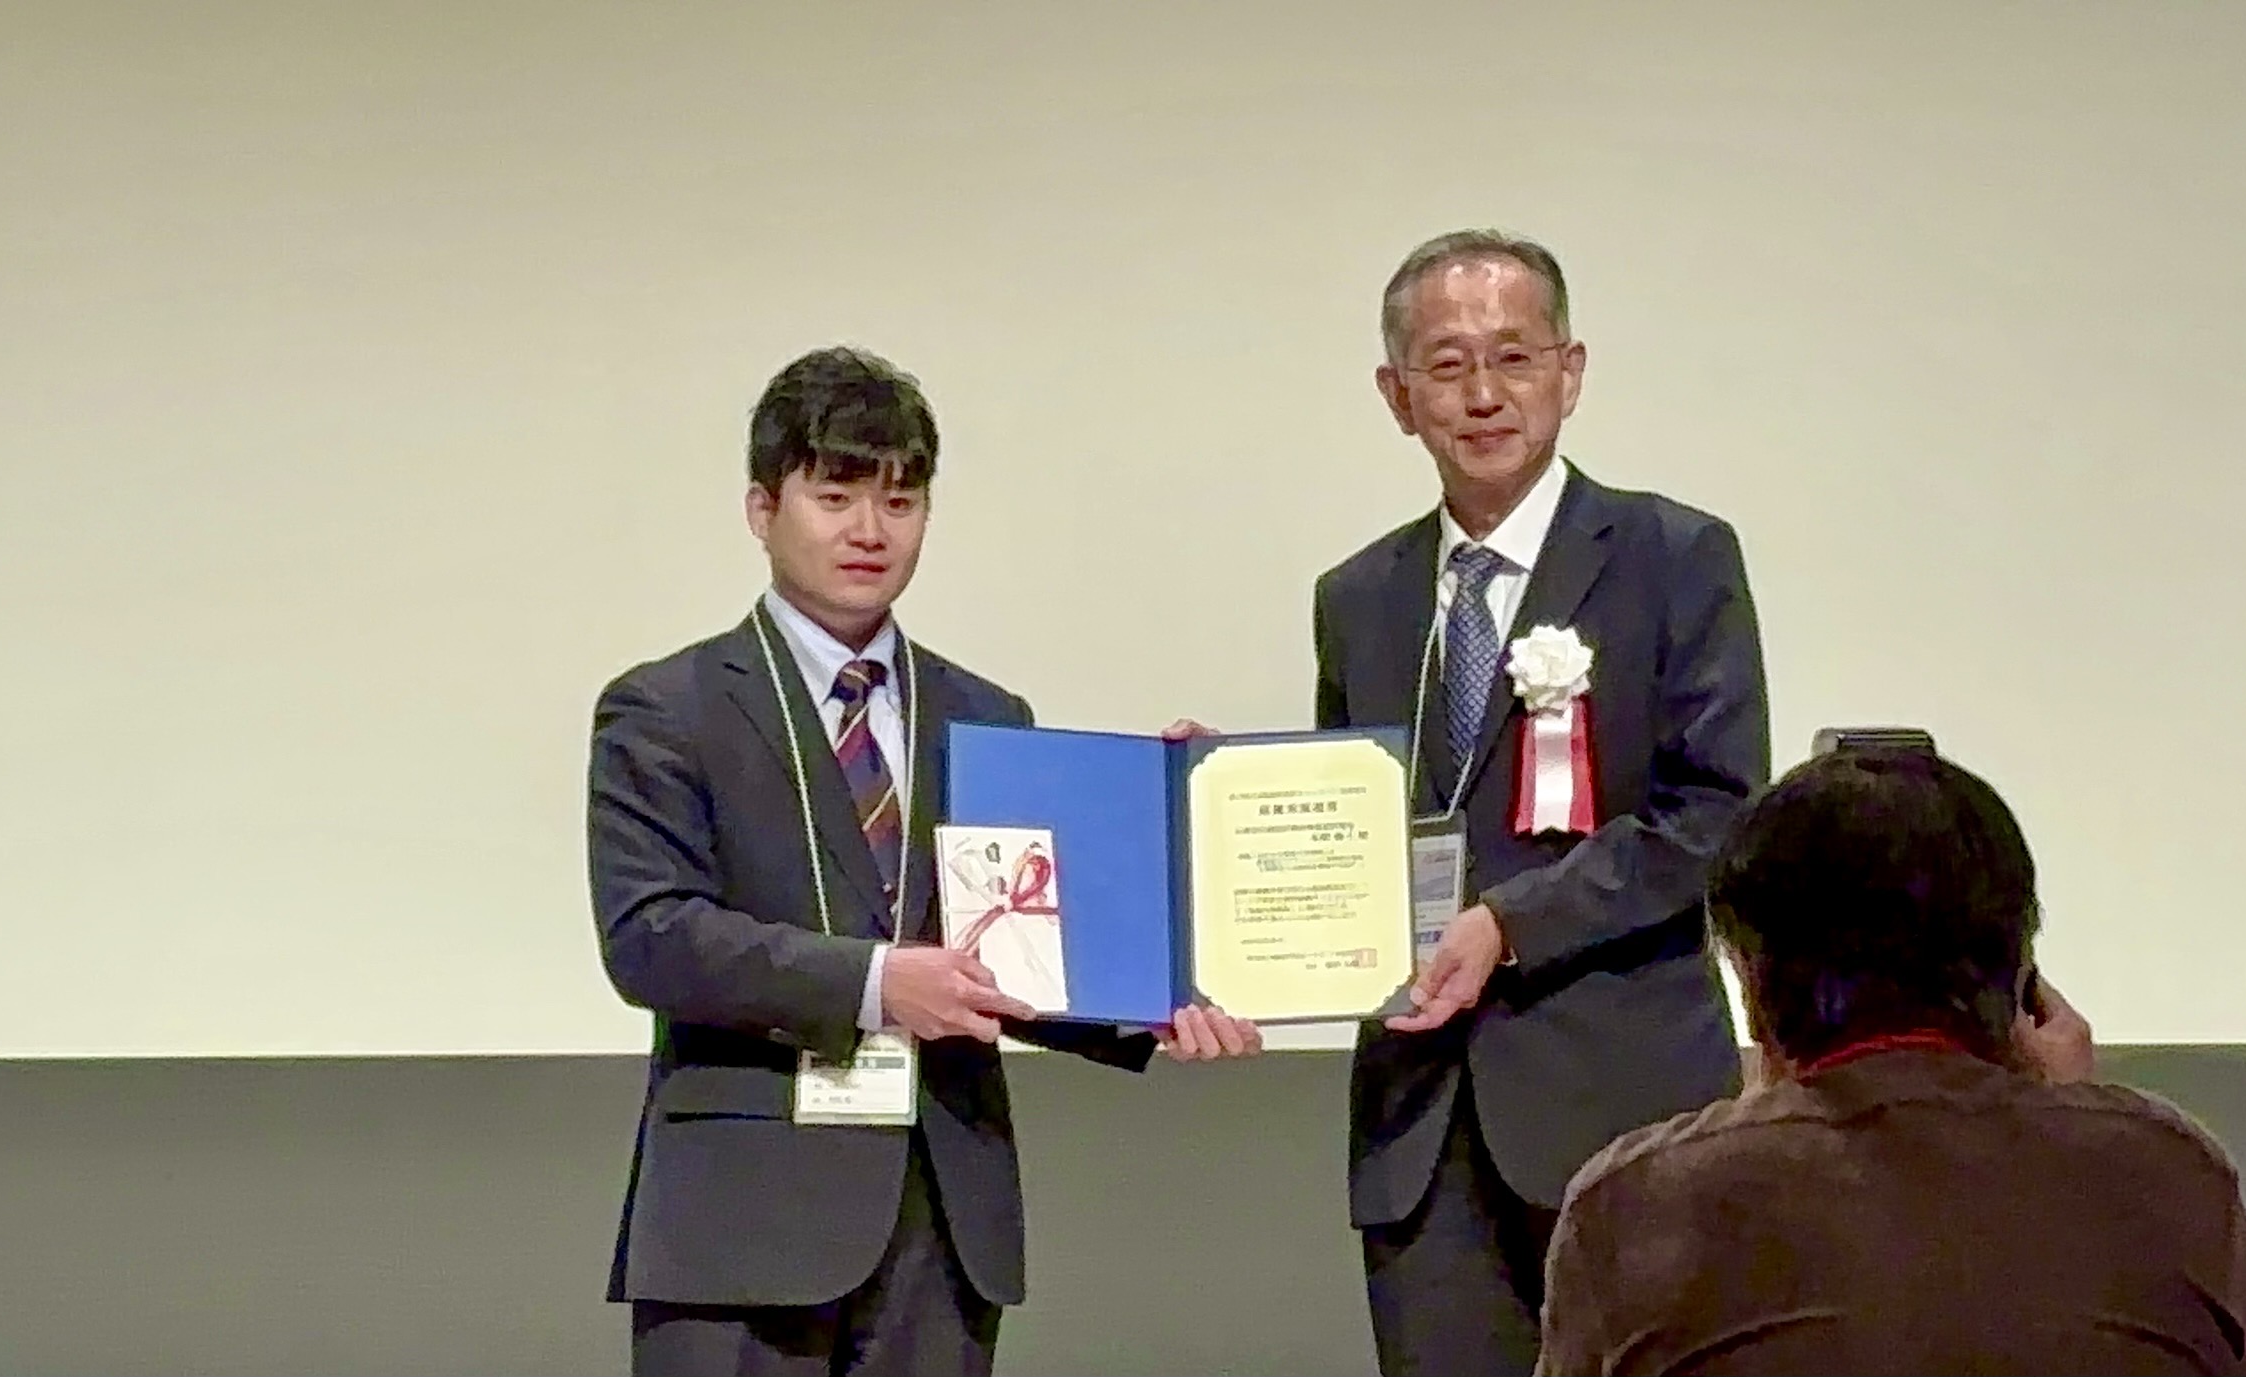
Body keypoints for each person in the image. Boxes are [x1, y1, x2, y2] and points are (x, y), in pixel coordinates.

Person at [587, 346, 1261, 1377]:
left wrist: (1157, 985)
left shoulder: (986, 717)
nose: (871, 529)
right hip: (742, 1224)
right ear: (762, 508)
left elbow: (1022, 949)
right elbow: (652, 937)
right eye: (835, 495)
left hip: (940, 1221)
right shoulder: (667, 708)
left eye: (900, 500)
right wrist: (876, 984)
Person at [1172, 228, 1770, 1375]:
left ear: (1570, 372)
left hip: (1626, 1117)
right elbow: (1357, 825)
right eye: (1447, 366)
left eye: (1514, 357)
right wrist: (1219, 797)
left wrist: (1509, 923)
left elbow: (1717, 818)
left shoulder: (1675, 556)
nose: (1484, 395)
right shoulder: (1360, 596)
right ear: (1398, 397)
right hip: (1423, 1131)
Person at [1537, 748, 2246, 1376]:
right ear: (2022, 979)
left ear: (1749, 980)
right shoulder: (2177, 1171)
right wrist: (2076, 1123)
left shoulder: (1633, 1205)